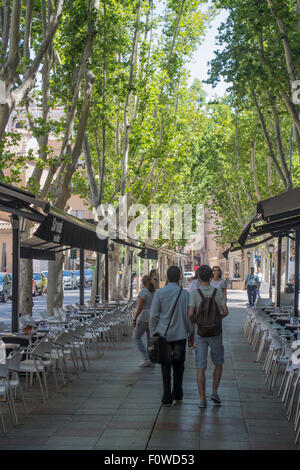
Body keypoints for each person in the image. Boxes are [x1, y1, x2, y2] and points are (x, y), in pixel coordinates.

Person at [149, 266, 194, 407]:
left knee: (165, 366)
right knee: (179, 366)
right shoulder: (185, 295)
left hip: (163, 336)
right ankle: (178, 394)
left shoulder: (159, 293)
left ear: (167, 277)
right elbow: (189, 318)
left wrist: (152, 333)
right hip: (180, 335)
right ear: (180, 277)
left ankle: (166, 397)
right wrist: (190, 332)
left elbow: (153, 316)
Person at [188, 265, 229, 408]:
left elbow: (191, 314)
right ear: (211, 277)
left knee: (201, 366)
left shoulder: (194, 294)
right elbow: (225, 312)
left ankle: (202, 399)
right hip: (216, 333)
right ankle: (215, 392)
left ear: (198, 277)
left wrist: (199, 323)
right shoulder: (217, 293)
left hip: (201, 333)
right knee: (218, 363)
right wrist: (216, 320)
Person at [132, 275, 156, 367]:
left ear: (143, 283)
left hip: (144, 317)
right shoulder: (154, 292)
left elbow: (140, 307)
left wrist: (135, 318)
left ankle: (145, 357)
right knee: (150, 339)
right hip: (153, 316)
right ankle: (151, 358)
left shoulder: (143, 292)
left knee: (136, 337)